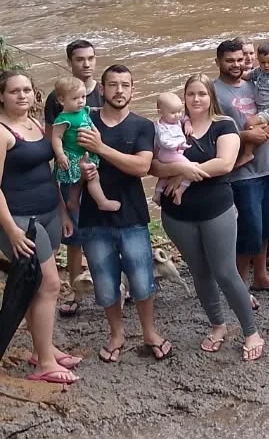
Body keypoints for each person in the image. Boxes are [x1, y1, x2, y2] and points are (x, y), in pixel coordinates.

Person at [153, 74, 265, 361]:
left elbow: (225, 163)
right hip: (177, 214)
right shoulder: (172, 125)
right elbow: (152, 164)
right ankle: (217, 325)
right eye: (191, 94)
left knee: (225, 272)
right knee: (200, 272)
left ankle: (251, 331)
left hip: (216, 209)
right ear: (184, 97)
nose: (196, 99)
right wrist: (180, 172)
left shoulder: (224, 124)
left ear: (211, 97)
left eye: (202, 93)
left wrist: (185, 171)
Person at [75, 64, 171, 363]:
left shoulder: (142, 126)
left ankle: (148, 332)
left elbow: (142, 167)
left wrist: (101, 148)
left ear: (133, 89)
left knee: (142, 281)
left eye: (125, 85)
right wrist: (72, 193)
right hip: (92, 218)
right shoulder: (84, 120)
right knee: (104, 284)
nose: (119, 90)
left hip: (132, 217)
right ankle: (116, 334)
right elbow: (66, 165)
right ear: (101, 89)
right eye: (113, 85)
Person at [0, 70, 79, 383]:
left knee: (39, 288)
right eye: (14, 91)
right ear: (1, 96)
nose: (22, 96)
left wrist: (61, 211)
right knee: (49, 285)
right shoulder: (3, 131)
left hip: (48, 212)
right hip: (21, 221)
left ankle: (42, 347)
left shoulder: (34, 124)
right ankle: (45, 362)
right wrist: (11, 230)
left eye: (27, 90)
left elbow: (49, 173)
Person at [213, 39, 269, 295]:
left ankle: (261, 276)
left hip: (266, 165)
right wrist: (246, 138)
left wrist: (268, 132)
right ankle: (239, 286)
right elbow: (210, 131)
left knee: (268, 227)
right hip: (240, 171)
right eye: (229, 60)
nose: (235, 65)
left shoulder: (256, 82)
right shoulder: (214, 91)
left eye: (239, 60)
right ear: (218, 62)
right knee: (250, 229)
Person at [44, 39, 101, 318]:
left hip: (101, 168)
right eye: (80, 59)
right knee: (75, 235)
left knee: (107, 228)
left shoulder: (105, 90)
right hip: (71, 173)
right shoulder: (58, 99)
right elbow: (50, 141)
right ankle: (77, 293)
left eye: (91, 58)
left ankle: (114, 287)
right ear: (70, 62)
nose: (86, 64)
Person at [49, 75, 121, 214]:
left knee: (91, 177)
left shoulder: (83, 111)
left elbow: (89, 123)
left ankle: (76, 201)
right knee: (82, 180)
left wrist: (97, 134)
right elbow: (56, 137)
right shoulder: (63, 119)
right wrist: (60, 154)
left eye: (83, 97)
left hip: (86, 153)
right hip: (73, 156)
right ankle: (101, 202)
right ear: (61, 100)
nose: (80, 101)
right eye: (75, 98)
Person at [152, 92, 190, 205]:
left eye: (179, 111)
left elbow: (184, 117)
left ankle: (157, 194)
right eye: (173, 113)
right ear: (160, 112)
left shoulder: (176, 120)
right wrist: (178, 145)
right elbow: (164, 143)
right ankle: (180, 192)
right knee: (190, 169)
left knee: (165, 176)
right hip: (167, 153)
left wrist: (187, 123)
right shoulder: (161, 127)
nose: (178, 115)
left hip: (176, 153)